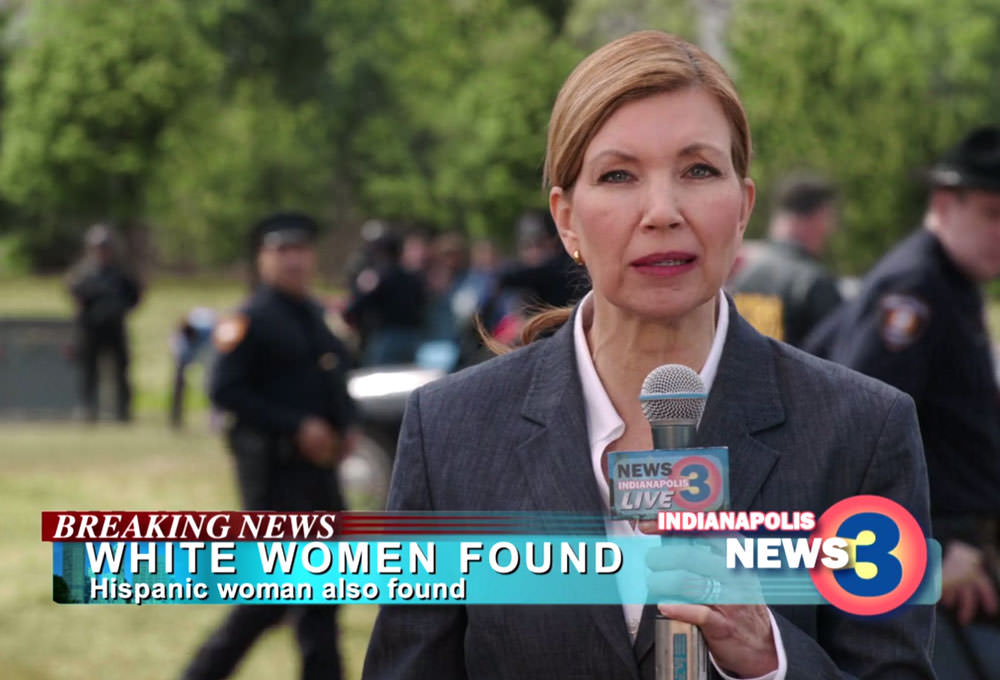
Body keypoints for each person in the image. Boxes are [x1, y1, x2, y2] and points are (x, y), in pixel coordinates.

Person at [363, 31, 933, 679]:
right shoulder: (452, 432)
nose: (662, 212)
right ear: (566, 219)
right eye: (619, 176)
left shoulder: (862, 430)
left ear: (743, 207)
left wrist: (771, 659)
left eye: (698, 170)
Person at [805, 126, 1000, 678]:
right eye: (991, 213)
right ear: (943, 204)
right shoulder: (914, 288)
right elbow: (850, 435)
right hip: (935, 570)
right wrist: (932, 548)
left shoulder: (952, 281)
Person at [181, 212, 355, 680]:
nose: (294, 261)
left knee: (323, 594)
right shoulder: (250, 319)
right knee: (268, 597)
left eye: (301, 250)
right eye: (282, 251)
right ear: (263, 258)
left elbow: (333, 376)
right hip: (275, 476)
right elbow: (225, 390)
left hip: (318, 477)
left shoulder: (315, 315)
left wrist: (347, 425)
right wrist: (296, 426)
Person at [728, 173, 842, 346]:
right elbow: (838, 351)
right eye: (828, 218)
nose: (829, 229)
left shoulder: (745, 275)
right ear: (818, 217)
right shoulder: (814, 283)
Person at [66, 223, 142, 422]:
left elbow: (135, 295)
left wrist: (119, 308)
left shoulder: (120, 274)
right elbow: (73, 293)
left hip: (114, 327)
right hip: (91, 328)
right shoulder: (83, 273)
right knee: (89, 370)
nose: (102, 251)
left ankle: (122, 411)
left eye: (105, 247)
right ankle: (88, 409)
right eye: (98, 247)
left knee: (120, 370)